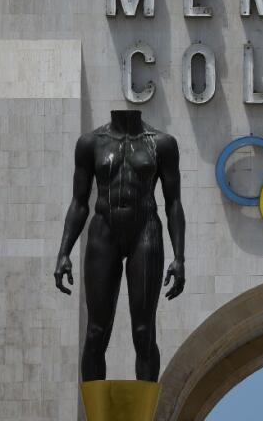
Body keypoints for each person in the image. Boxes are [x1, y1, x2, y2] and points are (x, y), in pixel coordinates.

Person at [53, 110, 186, 382]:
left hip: (145, 231)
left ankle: (145, 411)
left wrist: (179, 257)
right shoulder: (91, 143)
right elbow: (79, 202)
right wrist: (63, 252)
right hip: (104, 231)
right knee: (95, 331)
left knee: (144, 332)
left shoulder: (163, 143)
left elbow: (174, 203)